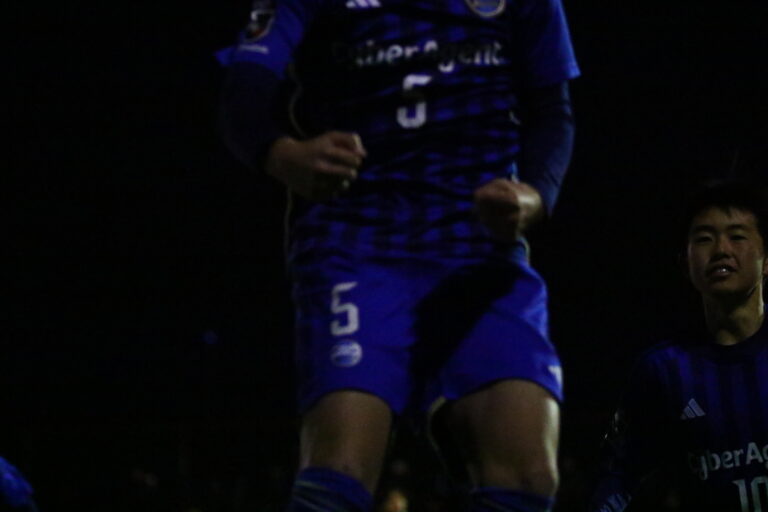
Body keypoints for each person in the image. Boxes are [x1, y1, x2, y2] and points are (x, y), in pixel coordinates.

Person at [218, 1, 579, 511]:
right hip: (355, 245)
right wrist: (284, 155)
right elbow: (244, 89)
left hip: (476, 250)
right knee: (338, 474)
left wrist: (535, 197)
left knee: (528, 477)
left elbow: (552, 112)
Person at [589, 182, 768, 512]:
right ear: (686, 264)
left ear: (766, 259)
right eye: (704, 238)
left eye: (737, 236)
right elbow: (619, 476)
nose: (721, 249)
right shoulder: (661, 369)